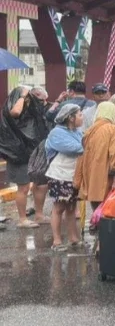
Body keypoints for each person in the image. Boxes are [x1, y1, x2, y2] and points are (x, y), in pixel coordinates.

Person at [2, 86, 49, 228]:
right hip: (18, 154)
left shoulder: (29, 110)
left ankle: (39, 215)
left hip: (32, 152)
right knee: (23, 187)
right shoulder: (15, 108)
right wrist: (22, 96)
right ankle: (22, 219)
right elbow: (15, 112)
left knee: (41, 184)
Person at [74, 101, 115, 212]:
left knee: (97, 213)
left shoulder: (89, 131)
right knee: (110, 214)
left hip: (91, 180)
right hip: (109, 181)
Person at [44, 104, 84, 251]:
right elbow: (77, 148)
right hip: (59, 175)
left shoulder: (77, 131)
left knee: (72, 208)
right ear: (70, 118)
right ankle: (57, 241)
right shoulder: (57, 133)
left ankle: (74, 238)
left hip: (73, 175)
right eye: (79, 115)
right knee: (59, 208)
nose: (82, 117)